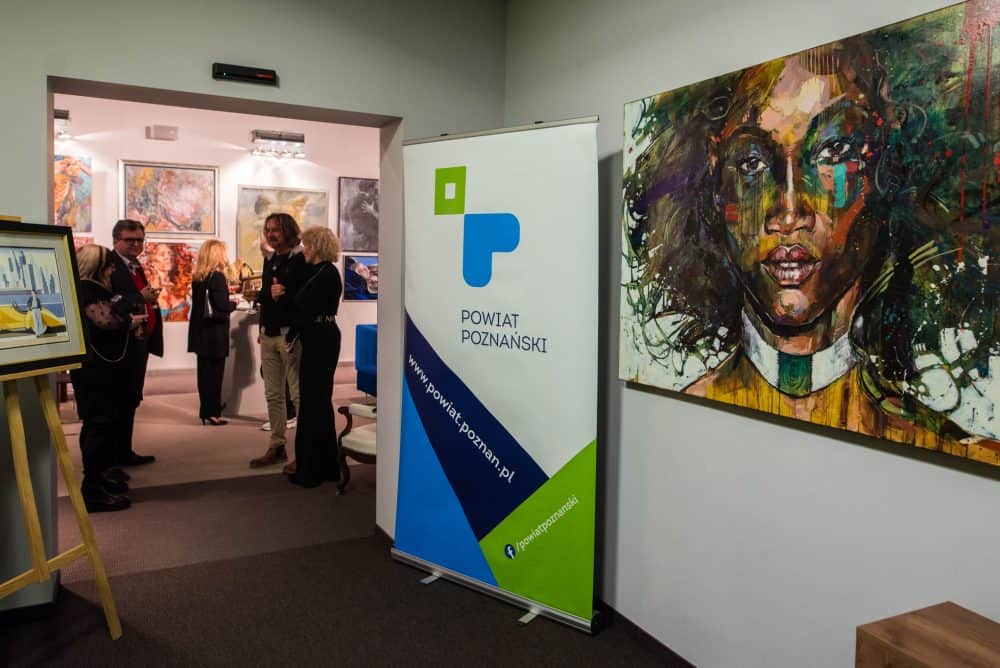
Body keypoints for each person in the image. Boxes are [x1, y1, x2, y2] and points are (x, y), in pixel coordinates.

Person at [622, 30, 998, 461]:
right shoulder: (679, 419)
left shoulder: (947, 451)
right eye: (751, 162)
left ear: (887, 170)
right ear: (715, 181)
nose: (788, 214)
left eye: (834, 152)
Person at [70, 244, 147, 512]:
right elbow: (104, 320)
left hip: (100, 368)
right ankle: (92, 489)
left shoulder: (87, 288)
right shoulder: (88, 289)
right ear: (99, 266)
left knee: (101, 425)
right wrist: (129, 321)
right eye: (110, 265)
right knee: (98, 425)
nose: (113, 269)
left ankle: (99, 479)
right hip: (97, 371)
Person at [249, 213, 307, 468]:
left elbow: (304, 298)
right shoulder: (270, 259)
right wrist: (261, 323)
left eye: (276, 230)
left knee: (298, 395)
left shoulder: (301, 259)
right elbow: (267, 295)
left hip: (289, 335)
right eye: (268, 230)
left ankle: (304, 452)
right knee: (273, 395)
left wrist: (283, 293)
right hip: (269, 334)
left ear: (289, 231)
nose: (271, 234)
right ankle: (277, 446)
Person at [286, 226, 343, 487]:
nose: (303, 249)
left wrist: (292, 333)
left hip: (321, 339)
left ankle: (311, 471)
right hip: (318, 337)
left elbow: (306, 308)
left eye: (307, 245)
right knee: (317, 402)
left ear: (317, 246)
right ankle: (325, 466)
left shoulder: (327, 274)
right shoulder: (320, 271)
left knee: (314, 402)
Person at [109, 219, 162, 467]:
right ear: (116, 241)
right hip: (121, 344)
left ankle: (124, 451)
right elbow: (110, 302)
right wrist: (139, 297)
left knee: (131, 399)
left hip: (139, 342)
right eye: (129, 240)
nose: (136, 244)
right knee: (119, 402)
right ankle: (114, 458)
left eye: (140, 240)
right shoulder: (111, 266)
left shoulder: (135, 265)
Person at [188, 240, 237, 426]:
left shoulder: (198, 277)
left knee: (204, 374)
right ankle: (213, 413)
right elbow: (222, 305)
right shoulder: (217, 277)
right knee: (215, 374)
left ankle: (206, 410)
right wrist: (234, 303)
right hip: (214, 333)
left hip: (200, 332)